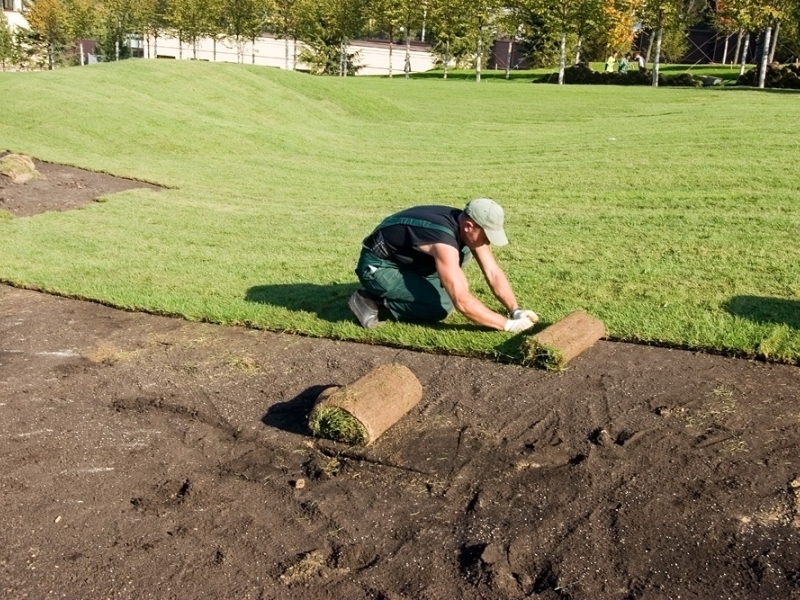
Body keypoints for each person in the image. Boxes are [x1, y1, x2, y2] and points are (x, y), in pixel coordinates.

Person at [348, 199, 538, 333]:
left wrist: (515, 310)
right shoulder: (442, 240)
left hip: (408, 260)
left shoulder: (462, 222)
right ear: (469, 226)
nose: (487, 240)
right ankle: (371, 299)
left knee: (461, 255)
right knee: (441, 306)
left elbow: (493, 272)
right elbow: (462, 302)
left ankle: (415, 287)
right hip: (378, 267)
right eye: (486, 234)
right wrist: (507, 325)